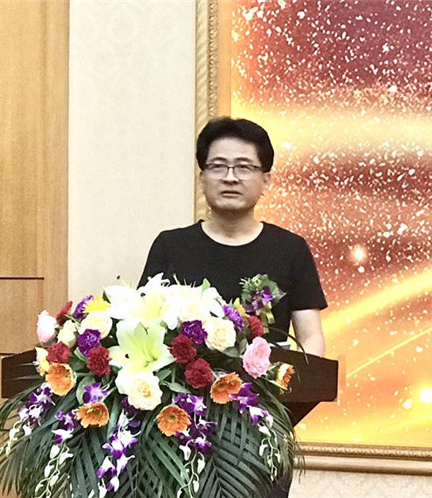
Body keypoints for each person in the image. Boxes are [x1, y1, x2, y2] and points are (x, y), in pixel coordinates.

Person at [138, 117, 327, 497]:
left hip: (258, 433)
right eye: (218, 166)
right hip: (177, 432)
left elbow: (312, 340)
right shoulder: (171, 247)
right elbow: (144, 330)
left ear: (266, 180)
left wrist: (282, 409)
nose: (230, 177)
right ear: (202, 177)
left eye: (243, 167)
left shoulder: (290, 250)